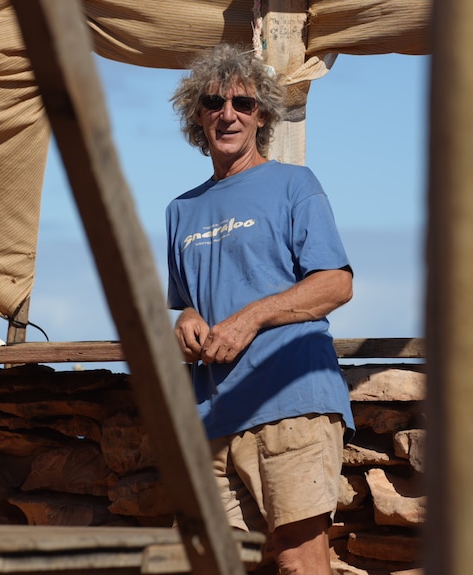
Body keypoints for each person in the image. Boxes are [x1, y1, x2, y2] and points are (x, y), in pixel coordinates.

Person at [165, 44, 356, 575]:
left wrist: (252, 317)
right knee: (210, 564)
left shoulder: (295, 184)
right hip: (211, 415)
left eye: (243, 104)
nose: (228, 114)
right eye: (214, 103)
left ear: (263, 116)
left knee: (299, 563)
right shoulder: (180, 210)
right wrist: (185, 320)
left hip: (289, 403)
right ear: (196, 115)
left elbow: (336, 284)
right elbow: (186, 305)